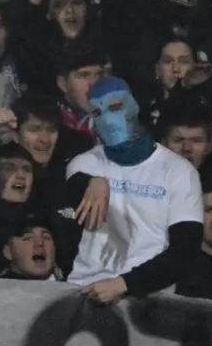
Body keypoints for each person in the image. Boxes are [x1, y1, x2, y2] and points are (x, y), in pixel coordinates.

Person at [66, 76, 203, 303]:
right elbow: (70, 190)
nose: (108, 120)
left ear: (135, 106)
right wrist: (92, 181)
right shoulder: (84, 164)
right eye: (97, 113)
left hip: (149, 299)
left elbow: (185, 251)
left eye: (116, 107)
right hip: (84, 292)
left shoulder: (179, 171)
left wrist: (124, 284)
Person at [0, 211, 64, 281]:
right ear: (8, 252)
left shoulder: (71, 288)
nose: (39, 242)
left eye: (46, 237)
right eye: (28, 238)